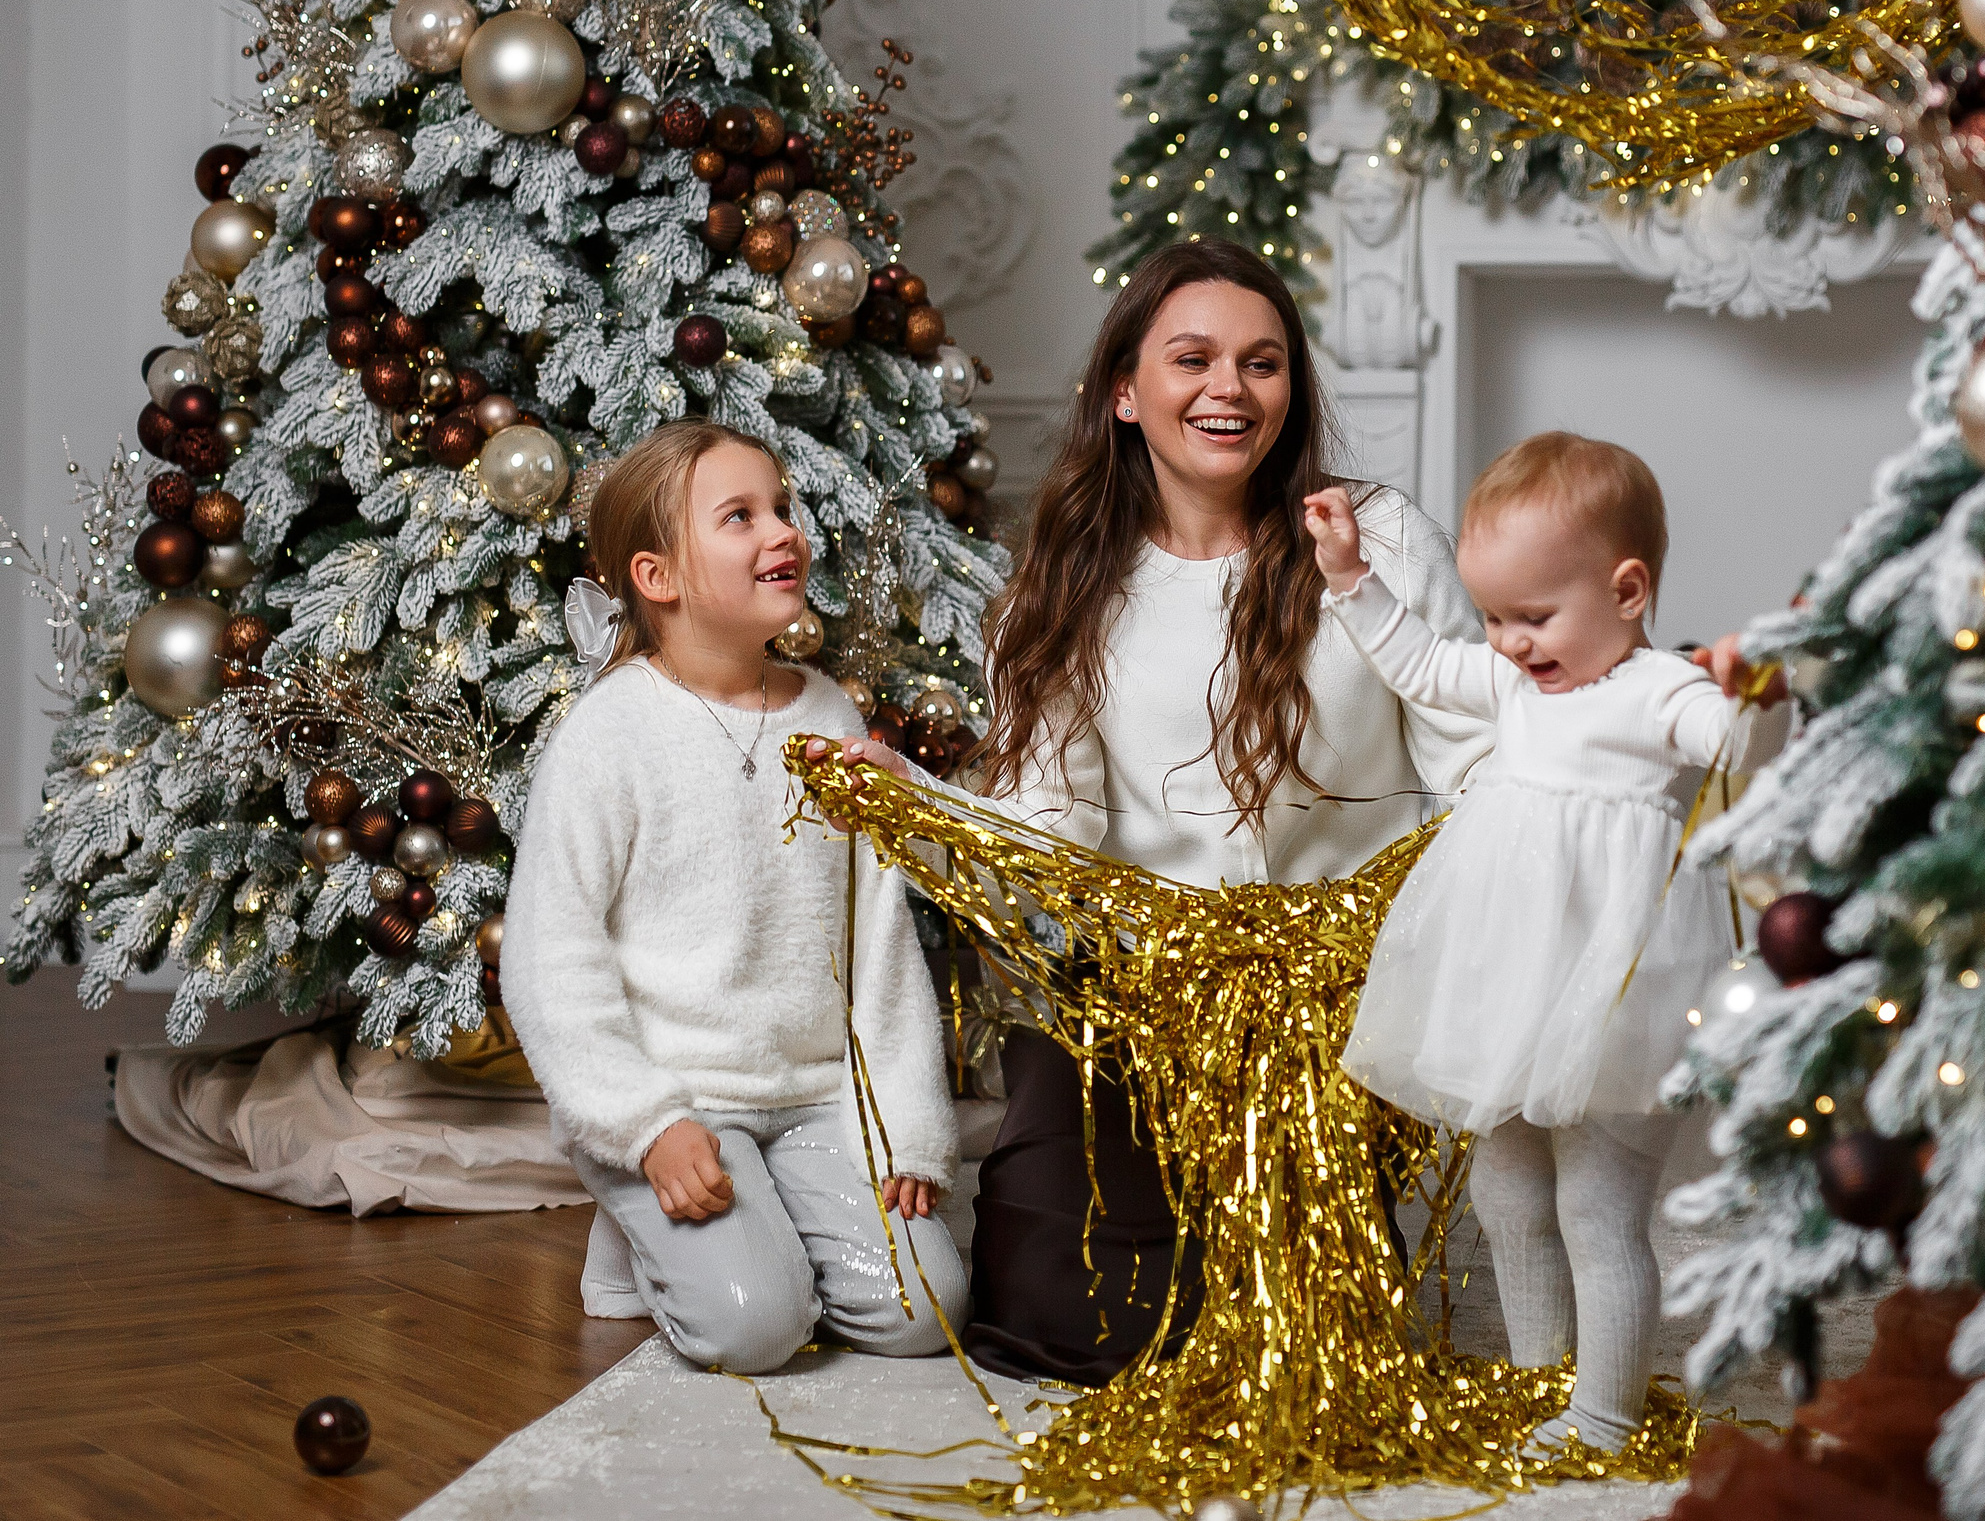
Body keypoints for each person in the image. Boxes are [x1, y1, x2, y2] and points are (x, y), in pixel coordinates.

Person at [841, 240, 1491, 1383]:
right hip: (1136, 989)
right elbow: (1051, 831)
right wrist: (929, 814)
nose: (1229, 390)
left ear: (1291, 390)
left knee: (1298, 1348)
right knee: (1060, 1321)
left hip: (1332, 998)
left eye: (1261, 363)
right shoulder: (1065, 587)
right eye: (1193, 359)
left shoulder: (1376, 540)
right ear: (1126, 393)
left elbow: (1471, 754)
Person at [1301, 430, 1791, 1455]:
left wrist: (1760, 693)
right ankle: (1541, 1387)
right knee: (1505, 1190)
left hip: (1616, 994)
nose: (1511, 644)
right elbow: (1423, 668)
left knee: (1597, 1208)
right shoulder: (1515, 680)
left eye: (1533, 617)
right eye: (1493, 617)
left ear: (1626, 592)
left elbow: (1737, 750)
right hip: (1508, 985)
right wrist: (1350, 579)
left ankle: (1605, 1414)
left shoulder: (1660, 692)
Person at [505, 419, 966, 1374]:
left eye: (785, 509)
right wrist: (644, 1123)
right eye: (741, 516)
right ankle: (652, 1237)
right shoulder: (612, 732)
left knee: (928, 1311)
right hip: (677, 1097)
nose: (782, 532)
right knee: (758, 1327)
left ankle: (781, 1217)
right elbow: (551, 956)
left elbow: (879, 940)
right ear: (658, 577)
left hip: (817, 1093)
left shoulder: (828, 712)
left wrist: (906, 1125)